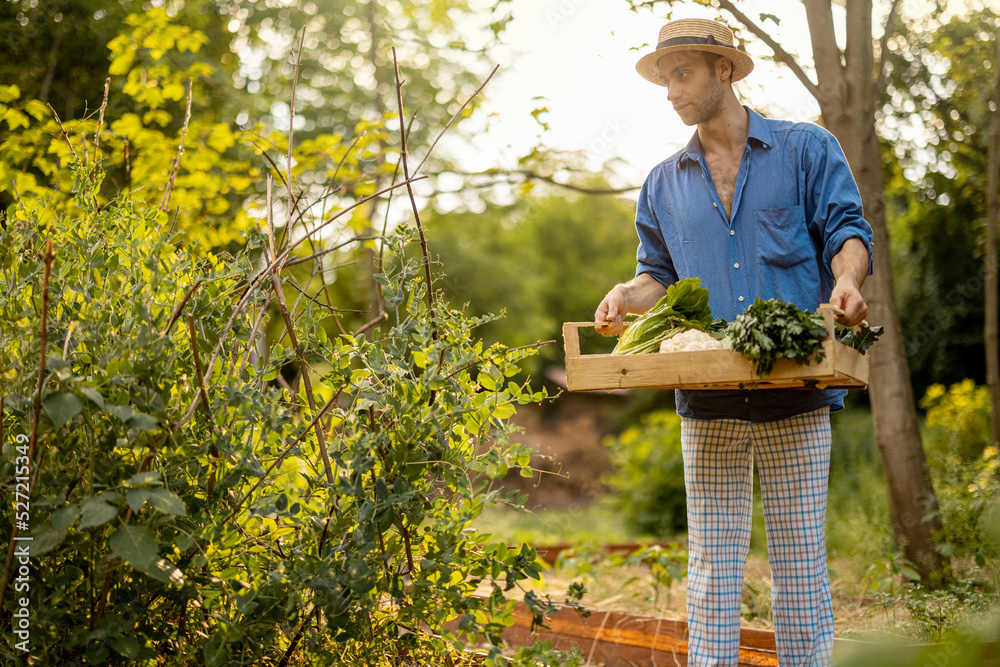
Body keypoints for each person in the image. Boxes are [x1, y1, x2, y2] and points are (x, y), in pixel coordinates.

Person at [594, 17, 874, 667]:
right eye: (665, 78)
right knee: (713, 572)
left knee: (800, 568)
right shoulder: (663, 181)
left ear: (724, 70)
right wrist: (623, 298)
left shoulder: (807, 149)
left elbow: (847, 233)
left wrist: (848, 284)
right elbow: (654, 275)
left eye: (682, 74)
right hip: (706, 398)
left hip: (796, 392)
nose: (670, 91)